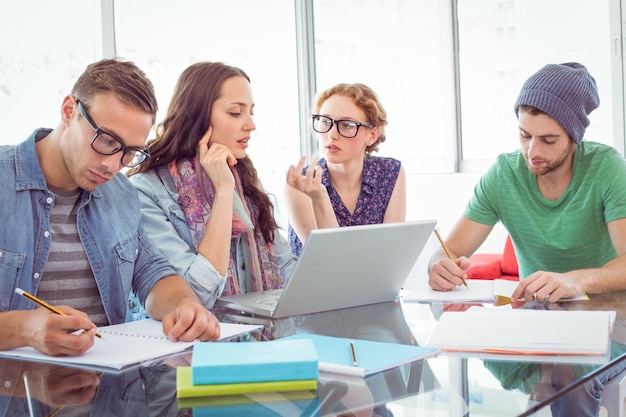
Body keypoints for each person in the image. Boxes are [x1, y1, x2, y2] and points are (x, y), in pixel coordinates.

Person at [428, 62, 626, 416]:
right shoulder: (505, 173)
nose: (532, 151)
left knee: (567, 373)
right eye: (524, 135)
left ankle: (548, 381)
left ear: (575, 136)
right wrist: (439, 265)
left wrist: (574, 279)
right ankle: (542, 380)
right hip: (537, 316)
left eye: (548, 140)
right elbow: (450, 250)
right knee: (470, 346)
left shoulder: (606, 168)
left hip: (612, 314)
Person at [0, 58, 220, 357]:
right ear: (69, 111)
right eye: (106, 141)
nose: (113, 165)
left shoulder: (121, 194)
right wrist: (23, 329)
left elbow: (153, 273)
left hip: (108, 391)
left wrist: (185, 306)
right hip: (13, 394)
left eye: (129, 153)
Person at [127, 62, 297, 308]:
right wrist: (224, 193)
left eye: (251, 112)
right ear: (198, 115)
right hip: (193, 343)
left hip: (258, 339)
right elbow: (195, 298)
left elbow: (286, 272)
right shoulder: (147, 190)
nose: (251, 125)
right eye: (236, 113)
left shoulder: (246, 180)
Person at [285, 83, 406, 256]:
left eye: (347, 125)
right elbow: (330, 260)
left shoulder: (390, 173)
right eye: (325, 122)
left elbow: (391, 255)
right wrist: (319, 198)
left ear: (372, 135)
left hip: (374, 282)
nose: (331, 134)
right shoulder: (299, 182)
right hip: (315, 283)